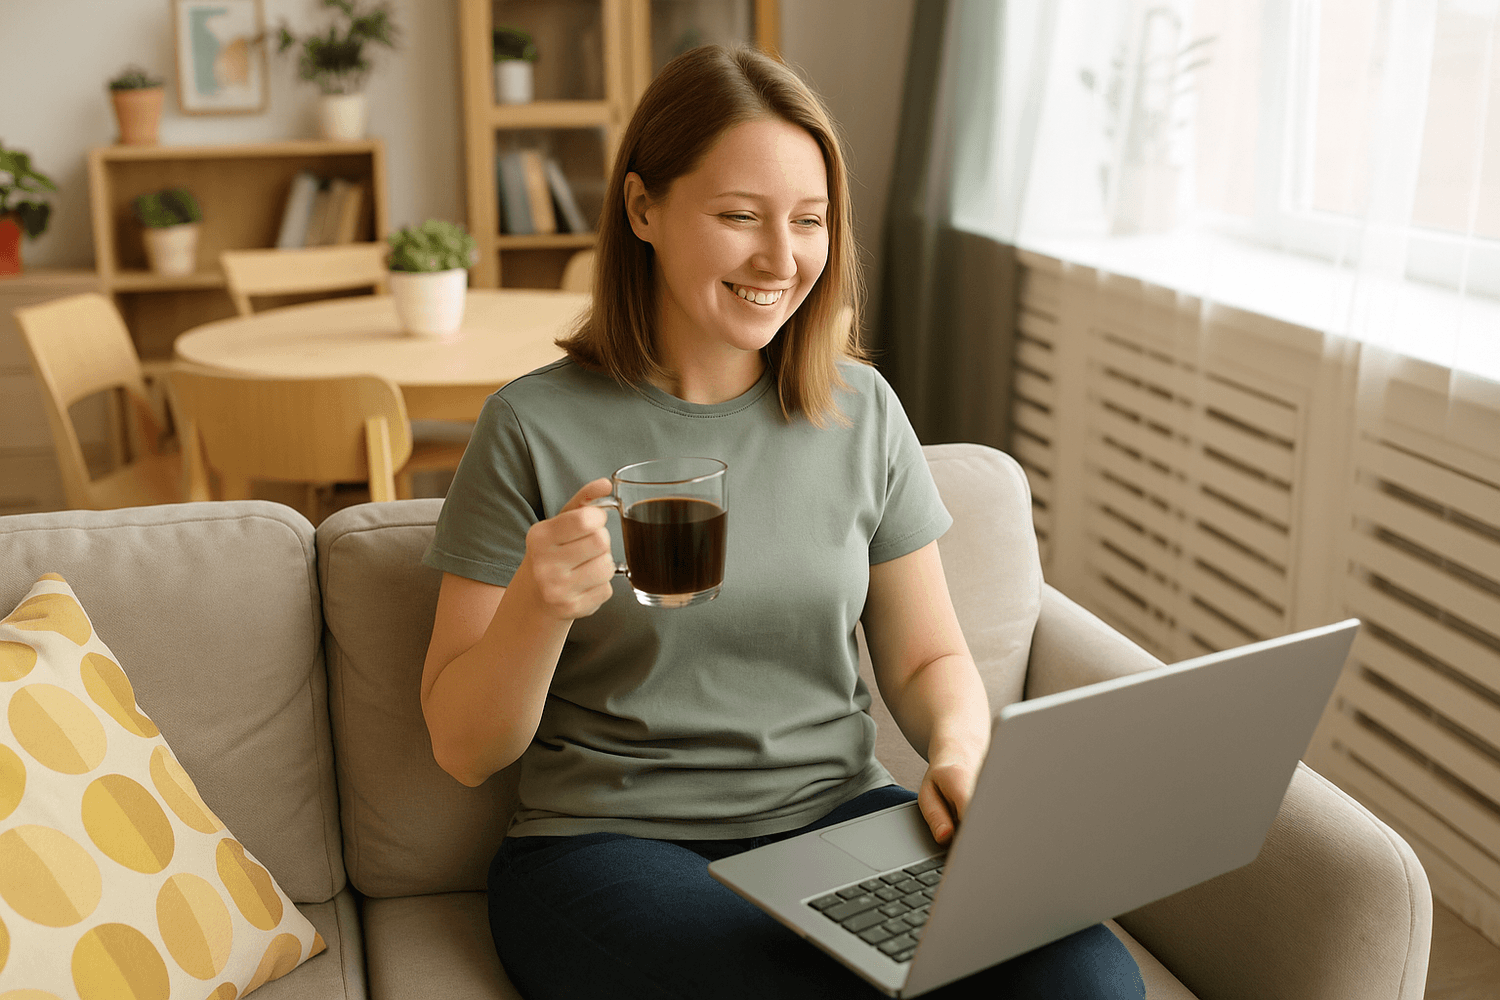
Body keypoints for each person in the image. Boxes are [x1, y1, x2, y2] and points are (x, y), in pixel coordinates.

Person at [420, 44, 1145, 1000]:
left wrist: (961, 754)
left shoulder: (863, 411)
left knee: (1087, 978)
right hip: (612, 845)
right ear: (643, 209)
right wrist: (538, 607)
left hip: (842, 821)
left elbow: (929, 660)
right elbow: (464, 748)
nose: (781, 258)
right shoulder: (530, 426)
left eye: (809, 222)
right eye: (738, 217)